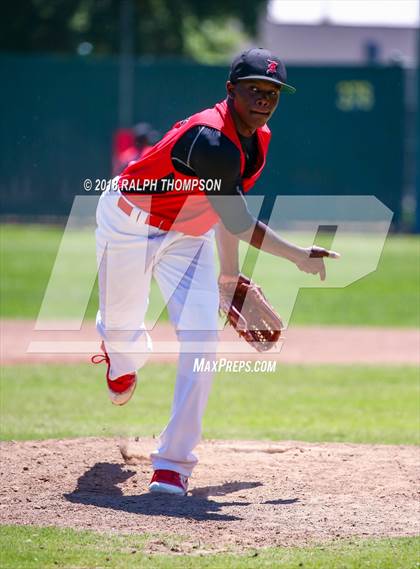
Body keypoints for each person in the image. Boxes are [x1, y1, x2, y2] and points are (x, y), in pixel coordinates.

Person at [92, 48, 339, 496]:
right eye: (254, 90)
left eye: (273, 92)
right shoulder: (210, 139)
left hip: (188, 233)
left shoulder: (257, 139)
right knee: (124, 335)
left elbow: (223, 210)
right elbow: (240, 222)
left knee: (203, 338)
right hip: (128, 222)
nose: (264, 99)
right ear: (231, 90)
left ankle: (173, 464)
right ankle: (120, 354)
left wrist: (229, 278)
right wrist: (297, 255)